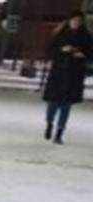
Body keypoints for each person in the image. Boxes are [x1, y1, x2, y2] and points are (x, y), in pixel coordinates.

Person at [43, 11, 93, 144]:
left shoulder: (86, 37)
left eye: (79, 21)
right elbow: (49, 52)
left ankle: (59, 133)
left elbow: (90, 53)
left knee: (66, 106)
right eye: (74, 20)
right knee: (53, 103)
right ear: (69, 21)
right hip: (58, 73)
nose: (76, 23)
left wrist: (82, 55)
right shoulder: (60, 35)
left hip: (74, 75)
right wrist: (61, 50)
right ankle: (49, 122)